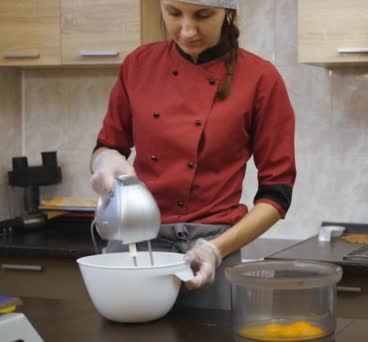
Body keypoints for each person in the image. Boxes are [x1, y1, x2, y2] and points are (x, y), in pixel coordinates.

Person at [89, 0, 296, 310]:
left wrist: (214, 249)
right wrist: (105, 161)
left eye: (202, 15)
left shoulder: (260, 78)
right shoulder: (138, 65)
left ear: (228, 12)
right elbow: (108, 146)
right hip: (137, 240)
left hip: (213, 246)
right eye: (173, 13)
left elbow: (276, 195)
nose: (186, 29)